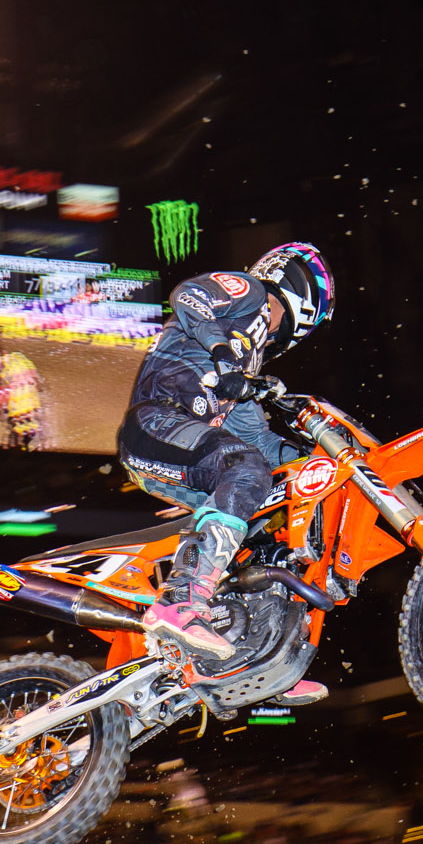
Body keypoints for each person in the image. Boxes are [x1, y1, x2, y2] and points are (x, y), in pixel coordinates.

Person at [116, 241, 335, 699]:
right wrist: (220, 351)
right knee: (245, 468)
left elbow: (260, 443)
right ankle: (181, 600)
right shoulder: (250, 293)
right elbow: (188, 296)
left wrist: (314, 457)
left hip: (182, 448)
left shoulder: (244, 368)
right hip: (156, 422)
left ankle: (253, 652)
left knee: (264, 515)